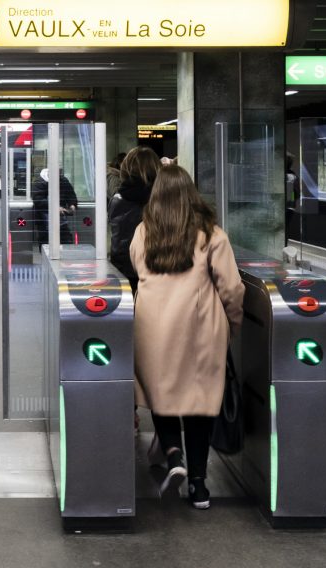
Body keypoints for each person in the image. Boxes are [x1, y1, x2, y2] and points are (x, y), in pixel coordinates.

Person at [129, 165, 244, 509]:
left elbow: (137, 268)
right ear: (192, 195)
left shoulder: (143, 232)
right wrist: (232, 325)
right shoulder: (212, 234)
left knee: (161, 394)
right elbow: (232, 288)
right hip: (200, 327)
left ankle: (173, 454)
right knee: (199, 404)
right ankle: (198, 486)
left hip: (151, 327)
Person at [108, 146, 161, 293]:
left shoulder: (117, 199)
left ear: (126, 169)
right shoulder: (161, 199)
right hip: (156, 270)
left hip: (123, 270)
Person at [31, 168, 78, 247]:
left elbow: (71, 194)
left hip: (61, 218)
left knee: (66, 240)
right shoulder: (39, 182)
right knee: (46, 242)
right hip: (44, 219)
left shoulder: (63, 180)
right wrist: (55, 207)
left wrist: (72, 204)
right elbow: (38, 200)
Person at [284, 152, 299, 243]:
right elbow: (295, 194)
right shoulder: (293, 176)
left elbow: (293, 195)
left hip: (286, 207)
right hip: (289, 206)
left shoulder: (289, 176)